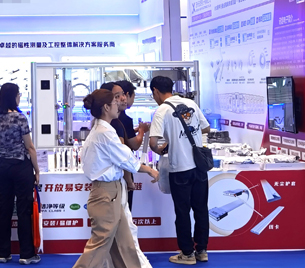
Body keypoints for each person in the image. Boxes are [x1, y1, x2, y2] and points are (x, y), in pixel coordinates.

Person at [72, 89, 159, 268]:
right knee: (99, 245)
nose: (118, 104)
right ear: (106, 107)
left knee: (125, 245)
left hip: (111, 192)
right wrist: (150, 170)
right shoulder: (104, 132)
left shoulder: (102, 130)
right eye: (115, 101)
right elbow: (126, 160)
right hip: (106, 193)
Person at [0, 82, 40, 265]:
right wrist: (37, 170)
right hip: (21, 166)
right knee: (24, 209)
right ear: (14, 97)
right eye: (18, 94)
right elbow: (30, 147)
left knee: (2, 209)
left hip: (3, 165)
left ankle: (3, 253)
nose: (20, 97)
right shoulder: (20, 118)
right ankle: (26, 254)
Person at [149, 76, 211, 265]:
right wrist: (184, 137)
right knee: (201, 209)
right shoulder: (191, 103)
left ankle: (187, 254)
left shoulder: (162, 110)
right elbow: (206, 128)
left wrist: (163, 148)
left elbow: (153, 142)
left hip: (180, 169)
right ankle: (202, 251)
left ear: (155, 91)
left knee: (182, 212)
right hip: (199, 166)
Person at [99, 83, 151, 268]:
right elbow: (124, 155)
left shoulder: (112, 124)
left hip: (114, 183)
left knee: (121, 227)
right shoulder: (111, 126)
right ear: (107, 103)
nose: (122, 99)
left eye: (122, 95)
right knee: (120, 227)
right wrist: (130, 178)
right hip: (114, 183)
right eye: (117, 96)